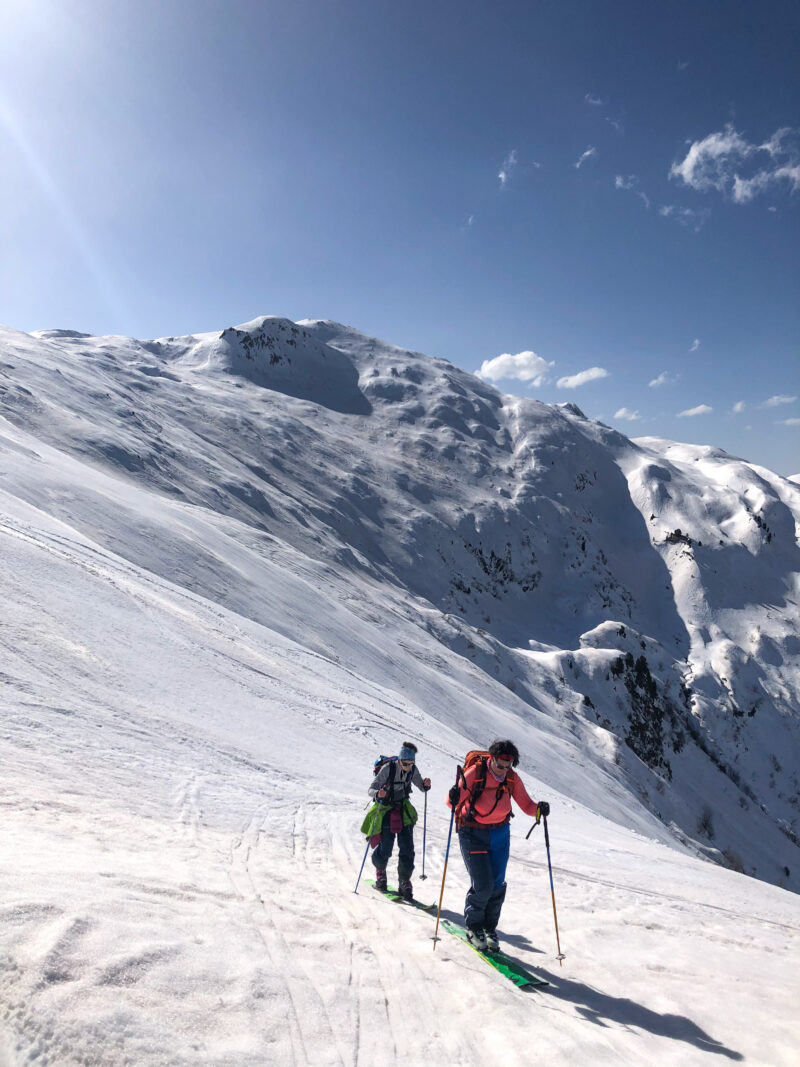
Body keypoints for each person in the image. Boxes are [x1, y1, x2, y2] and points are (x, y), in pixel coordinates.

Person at [447, 740, 550, 952]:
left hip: (500, 833)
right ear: (492, 759)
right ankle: (473, 926)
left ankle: (488, 927)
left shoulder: (511, 778)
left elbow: (527, 805)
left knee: (497, 883)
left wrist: (539, 809)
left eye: (508, 766)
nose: (503, 770)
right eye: (500, 765)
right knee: (483, 884)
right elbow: (452, 803)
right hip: (472, 832)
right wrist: (454, 795)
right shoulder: (476, 773)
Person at [366, 741, 431, 900]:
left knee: (407, 847)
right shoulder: (388, 768)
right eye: (405, 763)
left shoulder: (412, 770)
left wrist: (425, 785)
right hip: (387, 808)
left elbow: (421, 787)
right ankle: (380, 872)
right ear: (400, 760)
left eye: (410, 764)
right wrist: (378, 794)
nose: (407, 767)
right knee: (386, 845)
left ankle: (404, 881)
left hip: (403, 809)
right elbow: (371, 789)